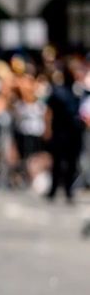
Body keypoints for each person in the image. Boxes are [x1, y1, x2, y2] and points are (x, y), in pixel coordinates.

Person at [44, 64, 86, 204]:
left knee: (72, 163)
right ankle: (53, 189)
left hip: (75, 133)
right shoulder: (58, 91)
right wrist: (48, 129)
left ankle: (69, 190)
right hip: (60, 132)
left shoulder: (79, 91)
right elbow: (49, 112)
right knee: (57, 162)